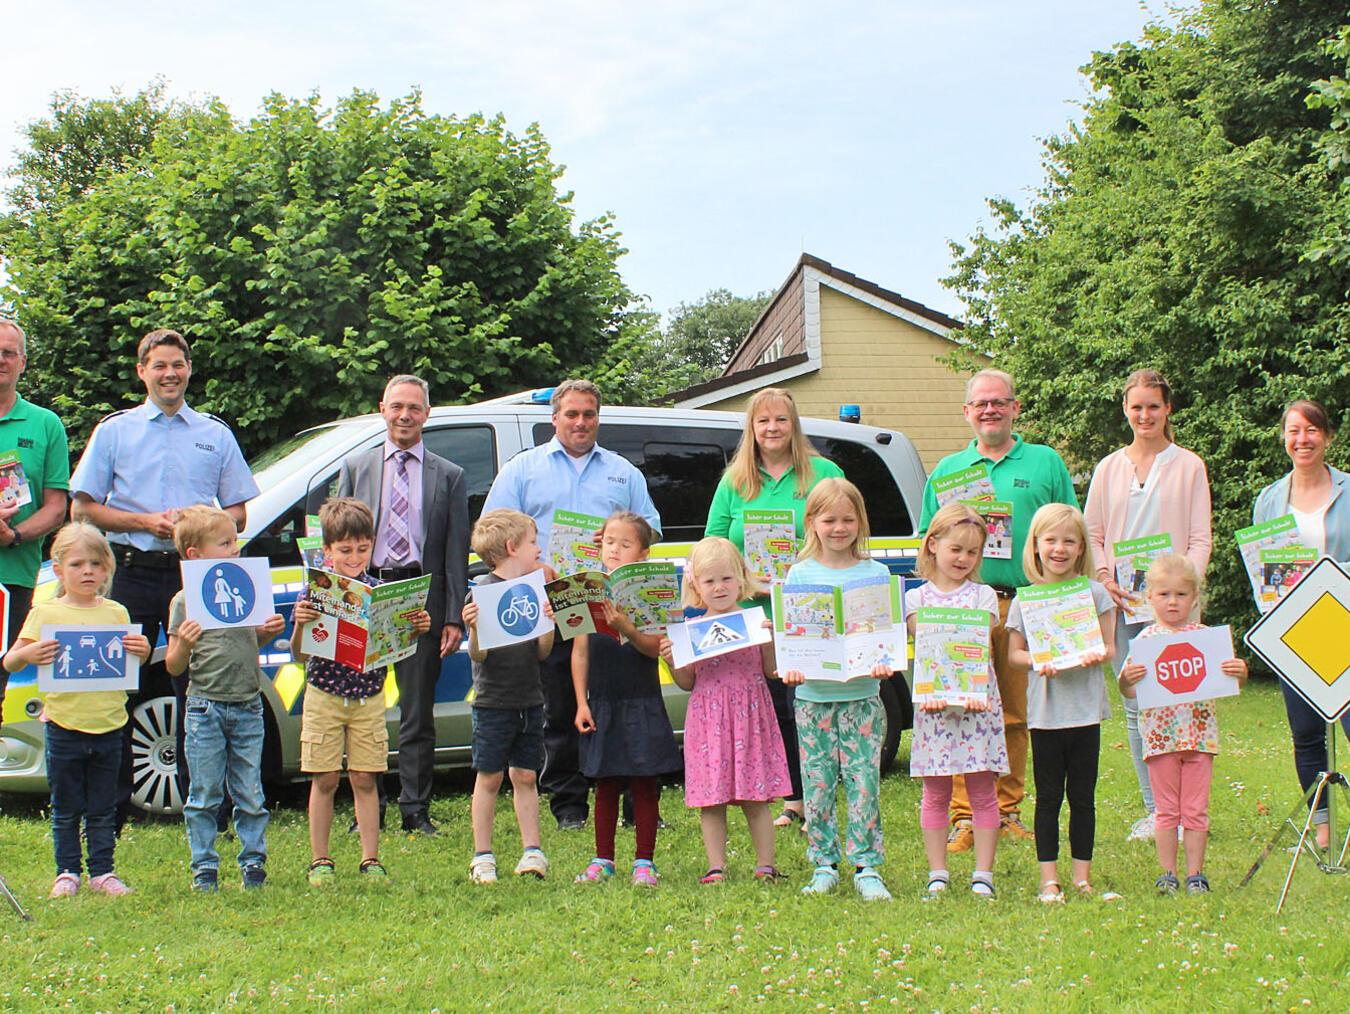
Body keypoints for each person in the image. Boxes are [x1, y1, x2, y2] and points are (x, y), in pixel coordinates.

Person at [69, 328, 259, 819]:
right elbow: (84, 509)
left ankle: (206, 809)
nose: (169, 374)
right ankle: (109, 810)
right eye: (159, 366)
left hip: (192, 576)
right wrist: (143, 522)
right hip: (131, 572)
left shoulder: (214, 434)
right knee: (117, 684)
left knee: (196, 688)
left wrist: (205, 520)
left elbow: (240, 513)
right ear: (142, 372)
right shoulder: (115, 431)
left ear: (188, 370)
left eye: (177, 364)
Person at [482, 378, 660, 830]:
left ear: (598, 417)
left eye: (589, 414)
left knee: (620, 703)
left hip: (611, 605)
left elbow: (651, 531)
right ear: (554, 418)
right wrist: (532, 570)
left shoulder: (624, 472)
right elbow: (494, 530)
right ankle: (569, 807)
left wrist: (621, 535)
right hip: (548, 601)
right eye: (572, 414)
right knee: (559, 708)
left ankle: (633, 805)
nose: (581, 422)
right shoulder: (523, 470)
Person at [917, 368, 1077, 851]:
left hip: (1024, 602)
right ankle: (965, 816)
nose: (989, 410)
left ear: (1015, 408)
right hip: (960, 608)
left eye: (999, 402)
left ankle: (1006, 809)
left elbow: (1070, 529)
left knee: (1014, 713)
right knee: (958, 706)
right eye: (980, 403)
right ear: (967, 412)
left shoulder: (1046, 463)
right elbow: (927, 536)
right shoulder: (948, 470)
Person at [704, 387, 844, 830]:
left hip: (809, 608)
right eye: (763, 421)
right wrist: (748, 580)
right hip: (751, 614)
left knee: (810, 705)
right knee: (775, 710)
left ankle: (820, 797)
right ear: (751, 427)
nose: (772, 428)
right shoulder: (736, 481)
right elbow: (715, 545)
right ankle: (795, 800)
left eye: (781, 419)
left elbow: (844, 530)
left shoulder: (824, 472)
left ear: (794, 424)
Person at [1083, 368, 1212, 841]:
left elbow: (1200, 538)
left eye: (1153, 406)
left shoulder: (1189, 464)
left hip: (1175, 608)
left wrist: (1182, 589)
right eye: (1137, 407)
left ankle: (1187, 812)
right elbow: (1093, 532)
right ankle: (1156, 811)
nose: (1145, 415)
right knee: (1138, 705)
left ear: (1167, 409)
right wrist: (1102, 576)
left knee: (1181, 703)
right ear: (1125, 410)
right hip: (1125, 603)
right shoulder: (1109, 467)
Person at [339, 374, 468, 836]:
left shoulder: (449, 475)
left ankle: (416, 809)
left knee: (417, 713)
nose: (404, 415)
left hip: (420, 602)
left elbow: (455, 549)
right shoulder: (356, 468)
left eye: (414, 407)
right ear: (382, 408)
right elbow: (337, 540)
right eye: (397, 406)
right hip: (368, 596)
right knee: (361, 710)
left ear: (427, 414)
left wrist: (452, 615)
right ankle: (365, 810)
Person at [3, 523, 151, 897]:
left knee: (103, 805)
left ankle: (103, 871)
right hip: (63, 725)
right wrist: (28, 654)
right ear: (59, 570)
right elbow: (11, 660)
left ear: (107, 570)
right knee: (66, 806)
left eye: (96, 564)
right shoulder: (45, 612)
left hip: (109, 724)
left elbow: (138, 654)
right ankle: (67, 871)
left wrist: (143, 650)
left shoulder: (116, 612)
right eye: (77, 564)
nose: (88, 572)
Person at [292, 498, 430, 884]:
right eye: (345, 550)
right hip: (324, 695)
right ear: (328, 551)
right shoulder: (315, 591)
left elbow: (398, 644)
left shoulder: (381, 592)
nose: (355, 557)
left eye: (363, 549)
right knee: (324, 778)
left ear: (372, 546)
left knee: (366, 777)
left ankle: (371, 859)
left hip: (369, 697)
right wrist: (302, 624)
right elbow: (300, 654)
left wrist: (416, 625)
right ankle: (320, 860)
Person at [778, 478, 895, 902]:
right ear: (812, 522)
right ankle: (823, 863)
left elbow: (886, 633)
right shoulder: (799, 573)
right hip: (813, 700)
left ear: (861, 521)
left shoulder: (876, 572)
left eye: (848, 519)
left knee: (865, 781)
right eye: (829, 519)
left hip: (864, 696)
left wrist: (886, 661)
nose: (839, 528)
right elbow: (791, 634)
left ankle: (867, 866)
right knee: (818, 784)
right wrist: (792, 668)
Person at [165, 506, 286, 892]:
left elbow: (250, 644)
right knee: (204, 792)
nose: (235, 549)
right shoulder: (185, 601)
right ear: (194, 555)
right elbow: (172, 665)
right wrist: (184, 643)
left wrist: (265, 632)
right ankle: (204, 866)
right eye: (226, 543)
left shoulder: (245, 586)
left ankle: (254, 863)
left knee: (250, 790)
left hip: (248, 702)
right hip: (205, 706)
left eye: (235, 541)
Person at [660, 537, 788, 884]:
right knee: (711, 797)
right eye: (710, 581)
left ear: (741, 578)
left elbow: (770, 670)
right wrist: (672, 660)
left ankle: (765, 864)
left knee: (755, 794)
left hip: (750, 714)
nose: (719, 587)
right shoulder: (689, 630)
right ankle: (715, 866)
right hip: (708, 717)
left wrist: (772, 640)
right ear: (695, 585)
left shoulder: (753, 621)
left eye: (727, 578)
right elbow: (686, 682)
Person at [1118, 554, 1248, 894]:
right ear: (1150, 598)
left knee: (1195, 810)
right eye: (1164, 594)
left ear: (1194, 598)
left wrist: (1240, 672)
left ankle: (1195, 874)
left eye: (1180, 594)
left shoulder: (1206, 638)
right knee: (1166, 811)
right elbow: (1129, 690)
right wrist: (1126, 679)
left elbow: (1228, 679)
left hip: (1199, 738)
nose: (1173, 602)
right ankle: (1167, 874)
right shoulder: (1145, 641)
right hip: (1160, 739)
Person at [1005, 504, 1116, 901]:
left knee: (1083, 797)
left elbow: (1109, 645)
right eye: (1050, 540)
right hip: (1046, 713)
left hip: (1085, 710)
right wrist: (1039, 660)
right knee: (1048, 796)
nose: (1060, 549)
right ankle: (1048, 878)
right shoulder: (1026, 600)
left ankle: (1082, 877)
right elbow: (1014, 654)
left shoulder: (1096, 593)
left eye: (1069, 541)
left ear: (1082, 547)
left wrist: (1095, 653)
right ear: (1035, 546)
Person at [1252, 399, 1350, 849]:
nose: (1302, 439)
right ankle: (1322, 829)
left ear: (1327, 436)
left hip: (1343, 626)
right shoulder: (1269, 499)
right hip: (1293, 631)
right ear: (1284, 438)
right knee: (1307, 734)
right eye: (1293, 431)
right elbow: (1260, 570)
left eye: (1311, 430)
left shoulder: (1348, 490)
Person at [572, 512, 681, 887]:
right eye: (609, 543)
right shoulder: (588, 588)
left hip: (641, 699)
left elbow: (654, 649)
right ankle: (603, 859)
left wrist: (627, 628)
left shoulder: (650, 590)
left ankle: (644, 861)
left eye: (625, 544)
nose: (615, 550)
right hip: (601, 699)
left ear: (643, 552)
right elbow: (580, 651)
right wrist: (580, 702)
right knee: (604, 782)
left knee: (643, 781)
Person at [906, 503, 1008, 898]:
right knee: (936, 791)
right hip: (934, 710)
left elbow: (976, 644)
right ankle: (938, 871)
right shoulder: (916, 599)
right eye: (956, 549)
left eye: (973, 552)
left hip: (976, 707)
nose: (964, 558)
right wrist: (937, 689)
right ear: (933, 545)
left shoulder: (983, 597)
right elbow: (925, 643)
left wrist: (961, 689)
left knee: (982, 789)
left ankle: (984, 872)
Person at [461, 508, 555, 884]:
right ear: (512, 547)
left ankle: (532, 850)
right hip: (492, 702)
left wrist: (548, 621)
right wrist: (474, 628)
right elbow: (477, 655)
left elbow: (543, 652)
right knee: (489, 777)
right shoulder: (482, 590)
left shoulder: (534, 588)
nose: (538, 549)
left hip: (530, 699)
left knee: (526, 775)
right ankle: (482, 855)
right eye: (533, 542)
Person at [0, 320, 71, 703]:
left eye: (8, 353)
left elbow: (57, 508)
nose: (1, 360)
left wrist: (13, 536)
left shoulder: (46, 424)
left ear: (23, 362)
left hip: (12, 579)